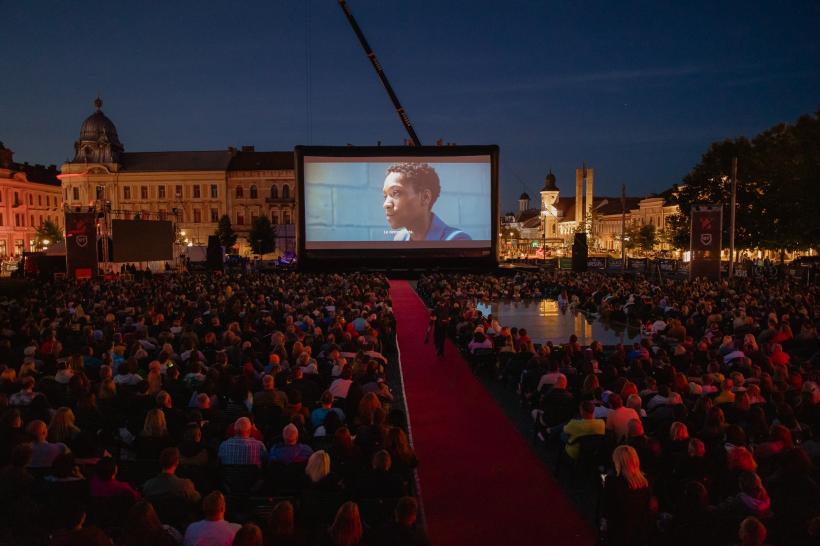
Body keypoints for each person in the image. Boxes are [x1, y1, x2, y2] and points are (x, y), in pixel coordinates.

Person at [382, 163, 471, 241]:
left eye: (396, 193)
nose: (386, 204)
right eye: (385, 196)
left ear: (425, 197)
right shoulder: (399, 238)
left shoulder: (457, 240)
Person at [602, 445, 653, 546]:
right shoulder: (646, 482)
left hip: (619, 533)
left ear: (617, 462)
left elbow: (607, 510)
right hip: (640, 532)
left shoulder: (612, 483)